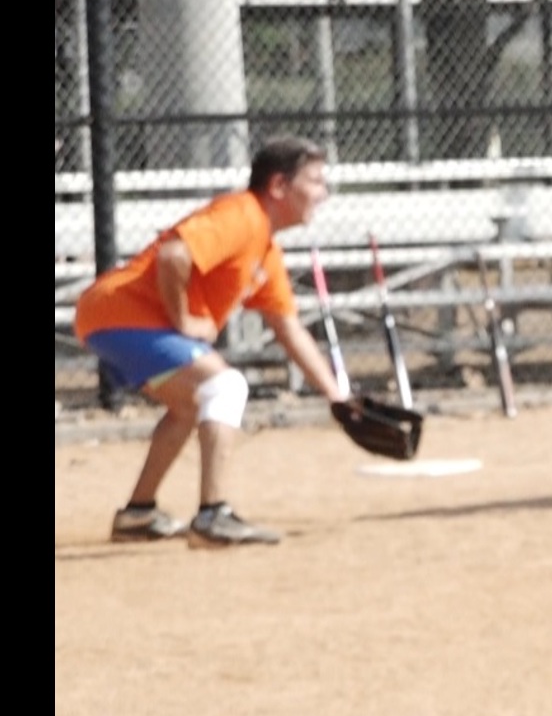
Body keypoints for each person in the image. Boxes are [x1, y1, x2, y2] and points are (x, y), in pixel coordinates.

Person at [75, 134, 351, 548]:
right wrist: (183, 317)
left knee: (190, 406)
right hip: (121, 312)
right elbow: (173, 256)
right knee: (224, 385)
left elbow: (288, 329)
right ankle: (213, 514)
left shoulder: (265, 249)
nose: (323, 193)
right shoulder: (242, 214)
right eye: (314, 181)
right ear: (278, 186)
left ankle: (138, 513)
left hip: (115, 317)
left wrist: (337, 398)